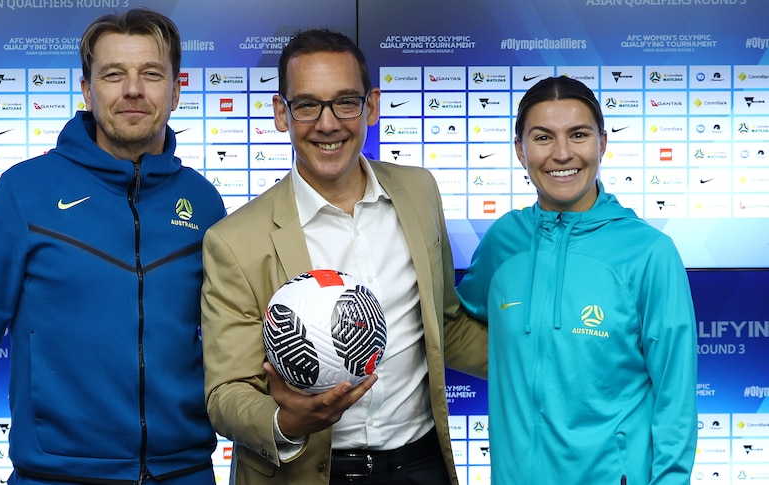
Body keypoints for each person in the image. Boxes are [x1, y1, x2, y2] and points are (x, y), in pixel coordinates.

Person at [0, 8, 225, 484]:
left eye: (151, 74)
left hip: (186, 473)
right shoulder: (24, 192)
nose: (133, 89)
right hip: (55, 475)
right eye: (113, 75)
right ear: (88, 91)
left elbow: (228, 345)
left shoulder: (202, 201)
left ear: (176, 90)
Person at [200, 28, 488, 485]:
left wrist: (553, 355)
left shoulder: (419, 192)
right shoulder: (235, 240)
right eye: (307, 104)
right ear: (282, 112)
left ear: (371, 106)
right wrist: (288, 422)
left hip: (421, 465)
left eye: (345, 102)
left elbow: (444, 324)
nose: (328, 123)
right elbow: (226, 392)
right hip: (308, 474)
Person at [456, 76, 697, 484]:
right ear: (520, 149)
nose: (562, 153)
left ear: (602, 142)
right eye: (543, 137)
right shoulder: (503, 242)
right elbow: (452, 324)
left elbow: (675, 396)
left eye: (579, 135)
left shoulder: (649, 252)